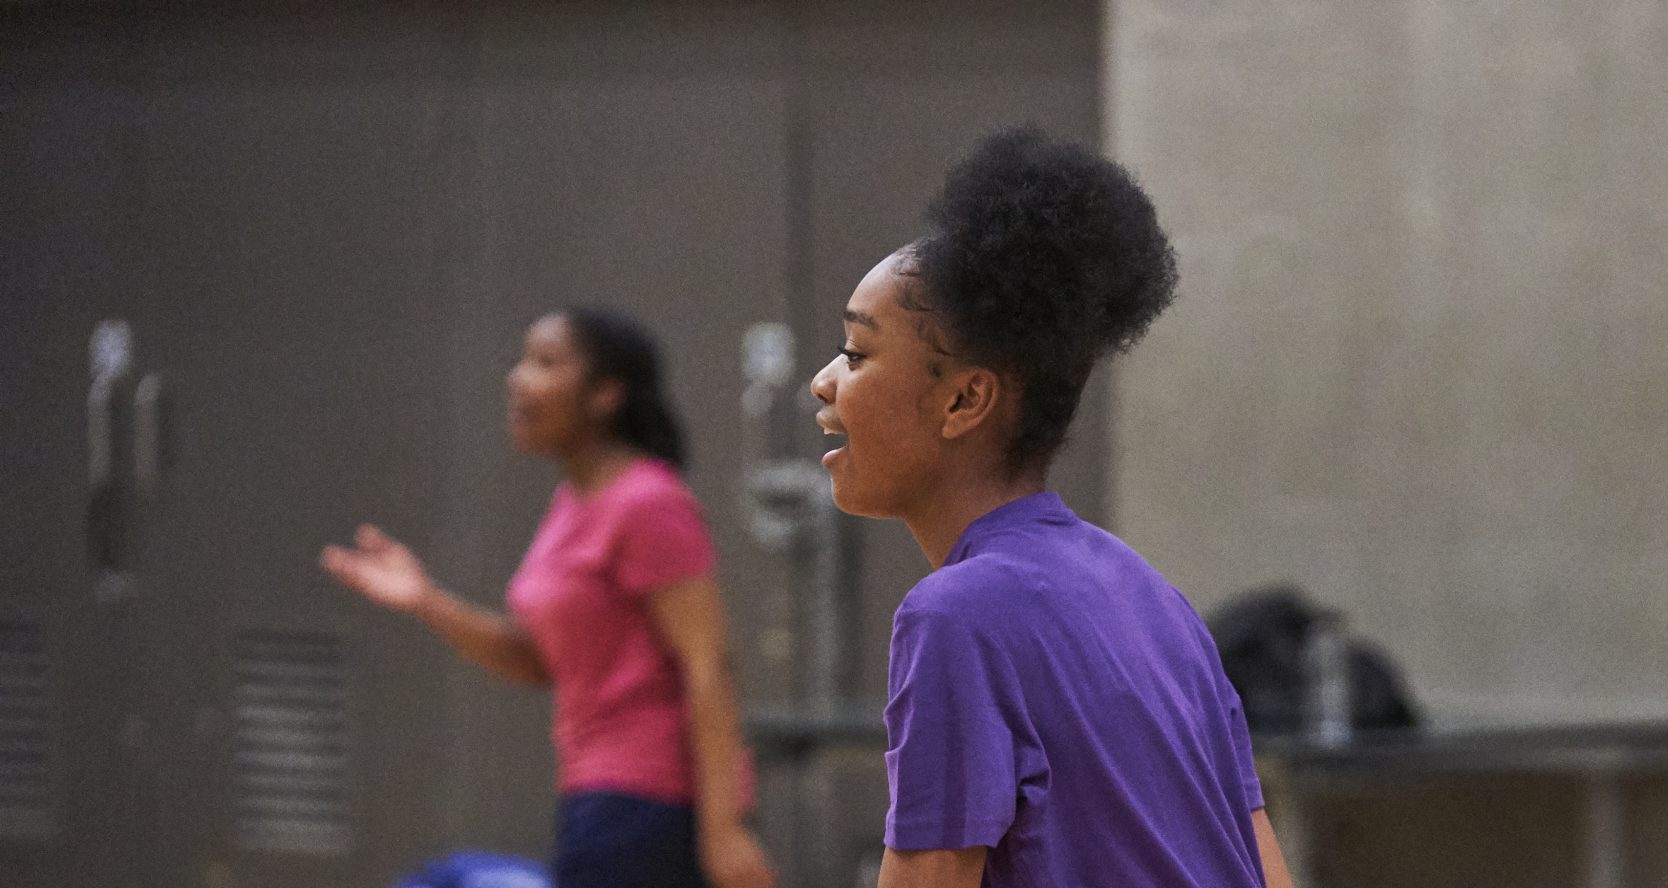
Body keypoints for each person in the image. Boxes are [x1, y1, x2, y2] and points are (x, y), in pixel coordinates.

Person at [810, 129, 1295, 888]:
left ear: (965, 398)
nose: (824, 381)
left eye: (857, 353)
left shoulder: (956, 615)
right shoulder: (1149, 594)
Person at [321, 308, 774, 888]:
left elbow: (709, 666)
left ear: (606, 393)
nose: (516, 378)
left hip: (651, 801)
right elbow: (540, 660)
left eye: (545, 362)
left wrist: (725, 830)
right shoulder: (572, 501)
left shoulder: (648, 502)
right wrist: (426, 600)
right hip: (595, 796)